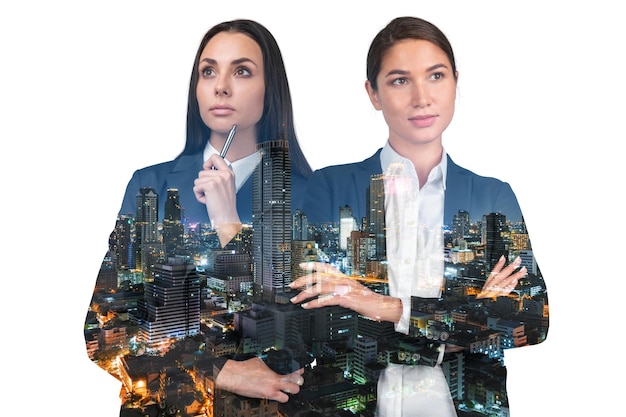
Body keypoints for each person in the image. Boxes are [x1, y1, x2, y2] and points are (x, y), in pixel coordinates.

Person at [290, 16, 549, 416]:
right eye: (399, 80)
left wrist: (379, 306)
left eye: (436, 76)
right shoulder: (330, 188)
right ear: (373, 94)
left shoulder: (492, 196)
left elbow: (532, 320)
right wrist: (469, 318)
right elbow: (313, 325)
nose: (422, 97)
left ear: (456, 82)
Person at [85, 19, 309, 414]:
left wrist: (227, 219)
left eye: (241, 71)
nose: (221, 86)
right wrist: (220, 371)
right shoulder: (150, 185)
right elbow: (101, 329)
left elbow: (302, 332)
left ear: (269, 90)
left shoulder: (309, 192)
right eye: (208, 71)